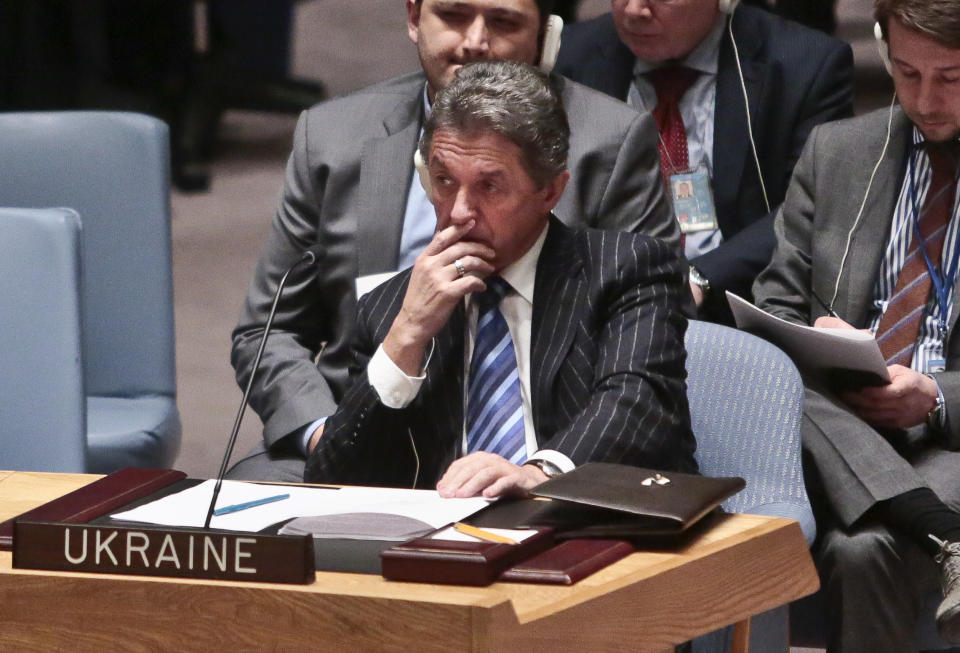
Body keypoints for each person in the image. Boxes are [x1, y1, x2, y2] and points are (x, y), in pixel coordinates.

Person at [229, 0, 678, 483]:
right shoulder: (333, 140)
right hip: (371, 410)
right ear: (414, 16)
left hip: (557, 431)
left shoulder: (610, 144)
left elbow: (640, 350)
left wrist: (543, 468)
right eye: (454, 15)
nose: (474, 43)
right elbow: (267, 332)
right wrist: (329, 431)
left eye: (503, 22)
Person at [305, 60, 696, 494]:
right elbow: (333, 480)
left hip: (597, 529)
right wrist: (407, 337)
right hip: (450, 544)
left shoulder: (626, 271)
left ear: (550, 190)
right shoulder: (391, 309)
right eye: (444, 181)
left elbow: (636, 404)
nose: (458, 211)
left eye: (489, 187)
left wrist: (539, 474)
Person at [752, 1, 960, 649]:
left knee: (861, 549)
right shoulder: (841, 151)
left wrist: (934, 396)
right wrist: (816, 341)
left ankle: (926, 521)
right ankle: (945, 533)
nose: (925, 100)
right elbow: (773, 310)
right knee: (770, 363)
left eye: (951, 77)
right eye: (906, 72)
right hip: (832, 418)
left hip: (945, 440)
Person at [554, 0, 853, 324]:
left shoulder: (805, 63)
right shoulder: (568, 54)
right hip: (599, 303)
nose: (633, 10)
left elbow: (808, 208)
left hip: (733, 304)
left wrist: (698, 278)